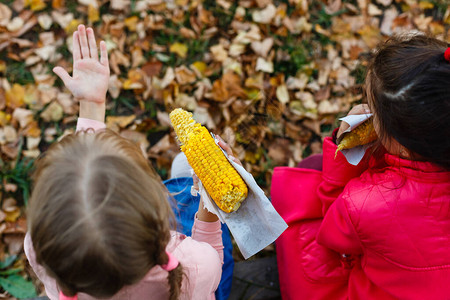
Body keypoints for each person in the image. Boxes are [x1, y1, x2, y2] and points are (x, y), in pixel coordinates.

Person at [24, 24, 234, 300]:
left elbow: (82, 186)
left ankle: (186, 182)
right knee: (189, 185)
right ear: (156, 207)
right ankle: (190, 189)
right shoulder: (192, 265)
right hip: (202, 279)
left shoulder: (44, 251)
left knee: (184, 175)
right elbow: (212, 266)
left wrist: (91, 105)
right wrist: (209, 207)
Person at [271, 33, 450, 299]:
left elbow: (333, 235)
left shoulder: (365, 202)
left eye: (375, 112)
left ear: (401, 144)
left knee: (301, 188)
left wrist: (343, 153)